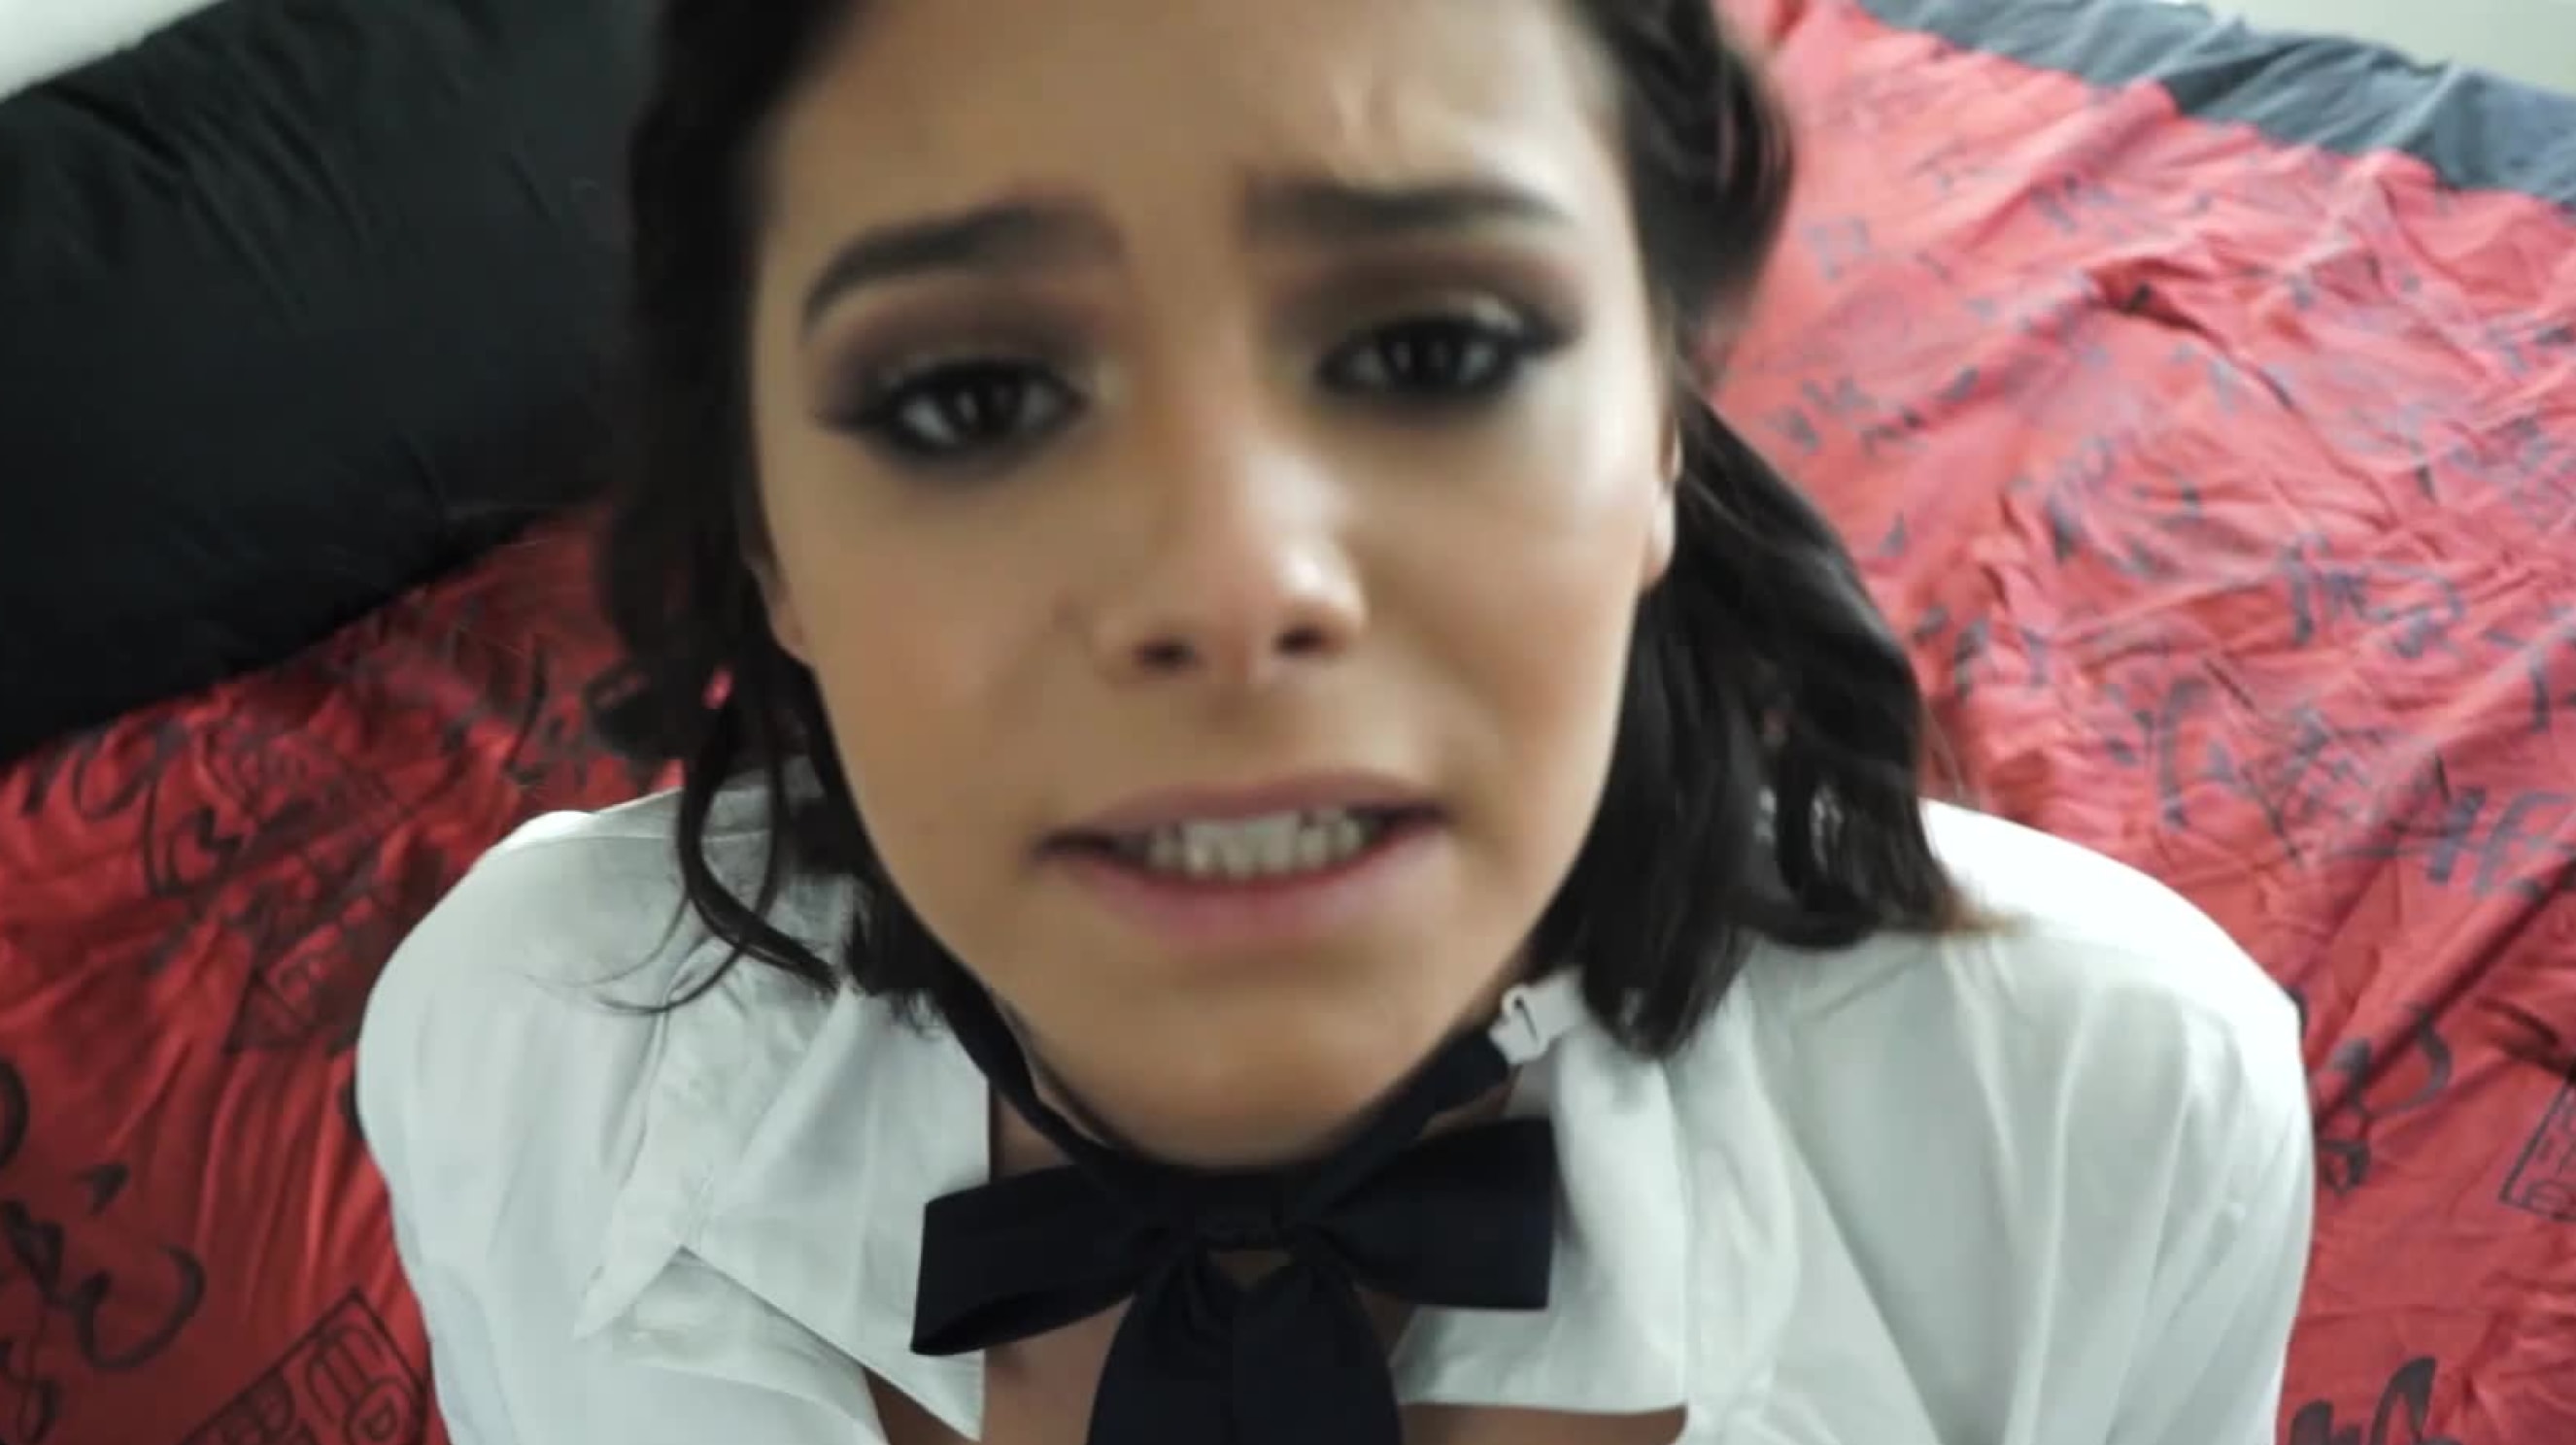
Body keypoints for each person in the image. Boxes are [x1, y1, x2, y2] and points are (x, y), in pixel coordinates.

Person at [356, 0, 2317, 1441]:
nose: (1230, 585)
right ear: (765, 531)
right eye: (969, 397)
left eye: (1433, 348)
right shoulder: (519, 1056)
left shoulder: (2107, 1119)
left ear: (1658, 430)